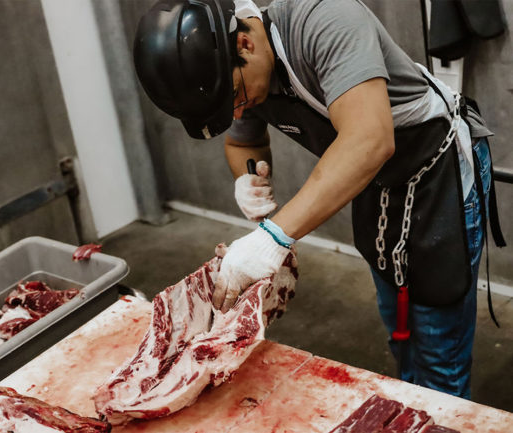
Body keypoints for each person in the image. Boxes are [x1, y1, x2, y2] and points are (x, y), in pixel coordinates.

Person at [132, 0, 504, 399]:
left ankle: (441, 406)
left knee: (435, 330)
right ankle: (413, 399)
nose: (239, 109)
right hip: (378, 184)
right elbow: (245, 142)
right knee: (397, 315)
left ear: (245, 43)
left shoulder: (325, 20)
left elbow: (369, 140)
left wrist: (273, 237)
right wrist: (247, 178)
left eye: (236, 98)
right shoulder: (238, 74)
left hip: (436, 171)